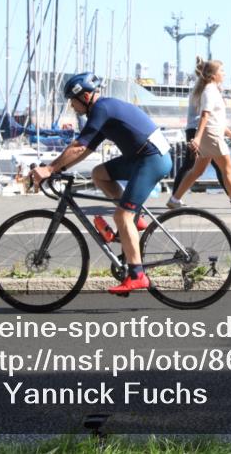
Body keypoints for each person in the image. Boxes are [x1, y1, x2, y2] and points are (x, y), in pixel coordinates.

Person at [30, 72, 172, 294]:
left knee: (121, 216)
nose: (71, 105)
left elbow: (78, 147)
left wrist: (49, 169)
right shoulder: (102, 111)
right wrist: (59, 168)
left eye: (72, 100)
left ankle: (137, 275)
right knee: (100, 173)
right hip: (142, 157)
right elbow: (84, 149)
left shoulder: (101, 109)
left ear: (85, 97)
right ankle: (136, 220)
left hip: (151, 159)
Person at [167, 58, 231, 213]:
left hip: (212, 133)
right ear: (213, 75)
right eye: (221, 70)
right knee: (227, 167)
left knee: (197, 170)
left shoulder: (212, 90)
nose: (224, 73)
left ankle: (174, 199)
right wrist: (198, 138)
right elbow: (205, 115)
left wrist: (230, 133)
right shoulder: (209, 91)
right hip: (211, 135)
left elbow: (217, 118)